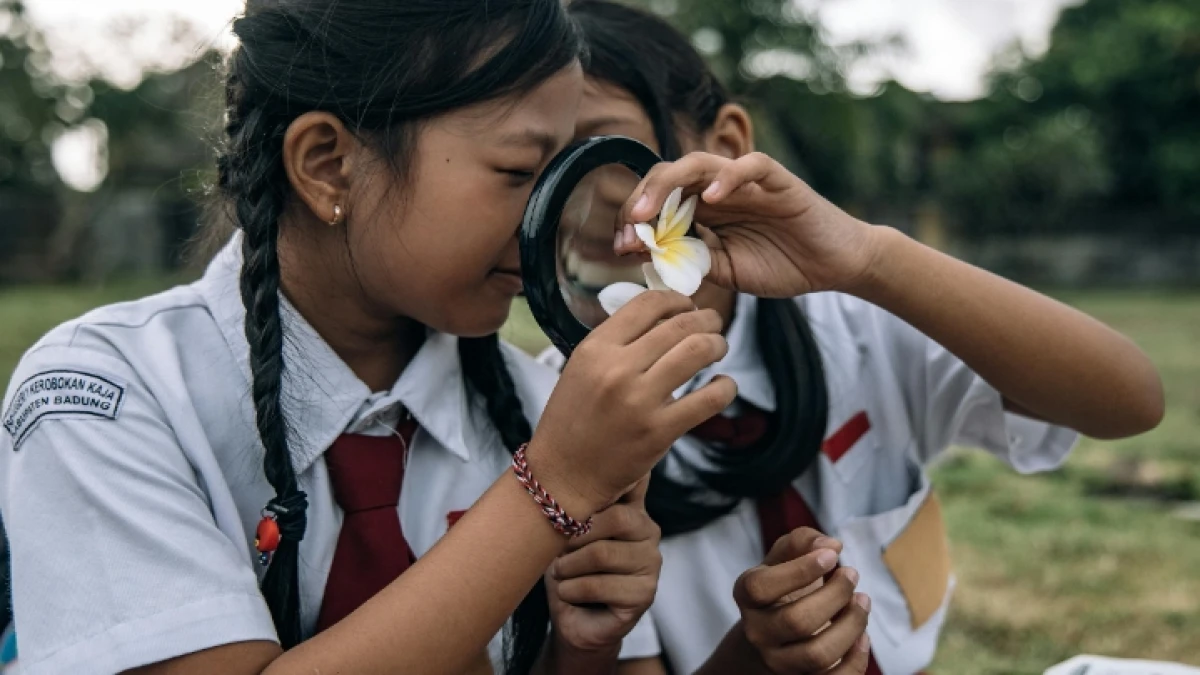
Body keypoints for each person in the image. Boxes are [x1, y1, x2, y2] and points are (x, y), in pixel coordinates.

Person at [0, 2, 744, 673]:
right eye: (519, 170)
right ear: (328, 166)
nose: (550, 221)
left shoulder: (542, 405)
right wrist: (550, 490)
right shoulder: (106, 394)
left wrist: (584, 644)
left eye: (566, 171)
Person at [542, 2, 1165, 674]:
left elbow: (1130, 399)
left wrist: (870, 259)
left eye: (591, 150)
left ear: (724, 145)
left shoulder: (854, 324)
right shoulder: (562, 408)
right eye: (532, 170)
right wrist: (755, 656)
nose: (565, 198)